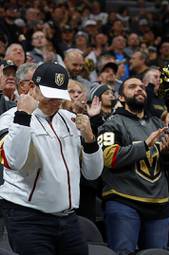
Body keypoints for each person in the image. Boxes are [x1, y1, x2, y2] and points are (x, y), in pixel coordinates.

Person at [0, 62, 104, 255]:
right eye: (49, 96)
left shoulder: (70, 119)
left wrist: (90, 140)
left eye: (59, 97)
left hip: (69, 217)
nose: (55, 102)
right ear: (31, 88)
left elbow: (93, 173)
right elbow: (13, 161)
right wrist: (23, 115)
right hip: (28, 216)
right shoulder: (9, 118)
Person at [97, 77, 169, 254]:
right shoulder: (112, 123)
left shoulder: (157, 123)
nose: (139, 89)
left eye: (142, 87)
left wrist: (167, 153)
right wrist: (143, 146)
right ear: (121, 97)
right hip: (124, 201)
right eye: (132, 87)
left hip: (159, 204)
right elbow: (107, 157)